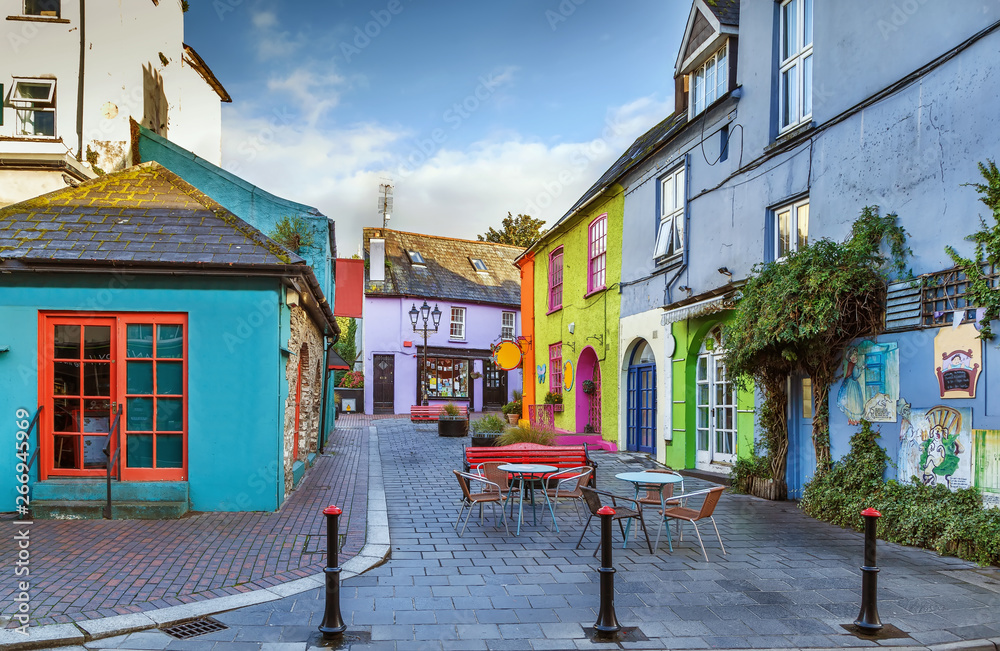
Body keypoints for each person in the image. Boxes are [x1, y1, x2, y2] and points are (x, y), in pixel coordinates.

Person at [837, 350, 865, 425]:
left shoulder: (850, 364)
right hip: (852, 385)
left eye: (855, 355)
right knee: (855, 401)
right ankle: (853, 419)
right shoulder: (852, 365)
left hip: (850, 383)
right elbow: (855, 376)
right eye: (853, 355)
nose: (854, 357)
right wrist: (862, 368)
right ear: (849, 357)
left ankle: (852, 419)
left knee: (852, 402)